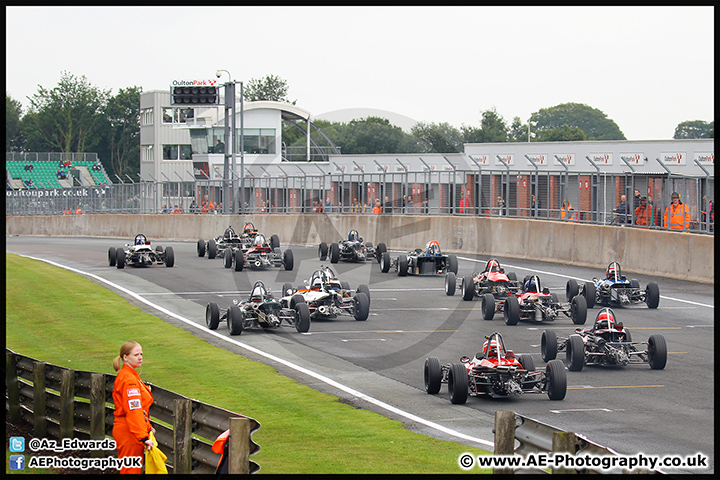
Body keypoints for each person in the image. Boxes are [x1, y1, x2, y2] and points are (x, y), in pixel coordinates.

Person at [112, 341, 155, 474]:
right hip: (130, 431)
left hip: (130, 429)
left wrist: (147, 427)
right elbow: (134, 410)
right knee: (130, 471)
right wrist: (143, 437)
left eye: (141, 354)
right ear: (125, 358)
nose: (140, 357)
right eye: (136, 355)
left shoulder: (130, 376)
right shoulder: (129, 380)